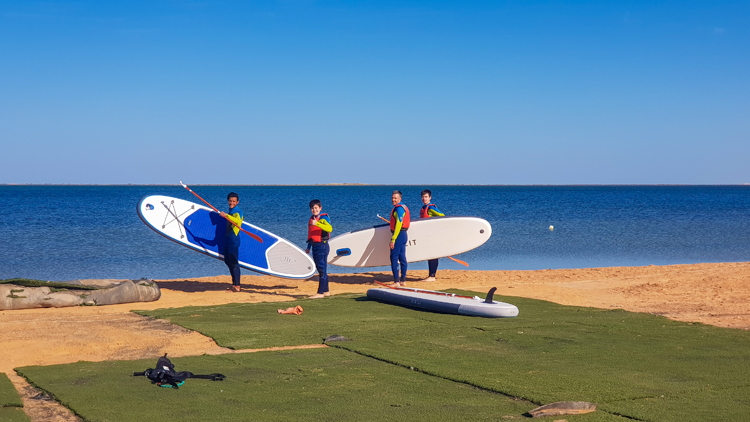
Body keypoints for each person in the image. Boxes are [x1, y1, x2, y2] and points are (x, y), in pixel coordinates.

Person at [305, 199, 333, 298]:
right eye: (312, 208)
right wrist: (308, 247)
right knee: (321, 269)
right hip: (314, 246)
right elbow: (311, 234)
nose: (314, 210)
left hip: (322, 245)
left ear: (320, 208)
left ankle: (320, 293)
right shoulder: (312, 219)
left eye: (316, 208)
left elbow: (330, 228)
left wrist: (317, 224)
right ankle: (326, 291)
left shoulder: (323, 218)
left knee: (322, 269)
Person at [419, 189, 445, 282]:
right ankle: (431, 275)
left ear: (430, 197)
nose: (424, 199)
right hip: (427, 235)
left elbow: (442, 215)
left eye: (426, 197)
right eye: (423, 197)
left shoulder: (430, 208)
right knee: (430, 255)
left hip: (433, 235)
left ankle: (432, 276)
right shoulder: (424, 208)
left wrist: (435, 225)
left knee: (433, 255)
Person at [219, 192, 243, 292]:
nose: (231, 203)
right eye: (230, 201)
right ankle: (234, 283)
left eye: (234, 201)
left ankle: (237, 285)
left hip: (234, 240)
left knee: (233, 262)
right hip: (228, 239)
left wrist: (226, 216)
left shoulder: (238, 211)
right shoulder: (231, 211)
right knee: (227, 260)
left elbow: (237, 221)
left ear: (237, 202)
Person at [389, 190, 410, 287]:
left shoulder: (399, 209)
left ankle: (396, 281)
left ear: (400, 199)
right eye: (392, 198)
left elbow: (399, 224)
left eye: (395, 198)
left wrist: (393, 239)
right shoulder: (402, 207)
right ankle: (403, 280)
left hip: (399, 235)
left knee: (394, 257)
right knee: (402, 257)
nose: (393, 200)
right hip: (404, 234)